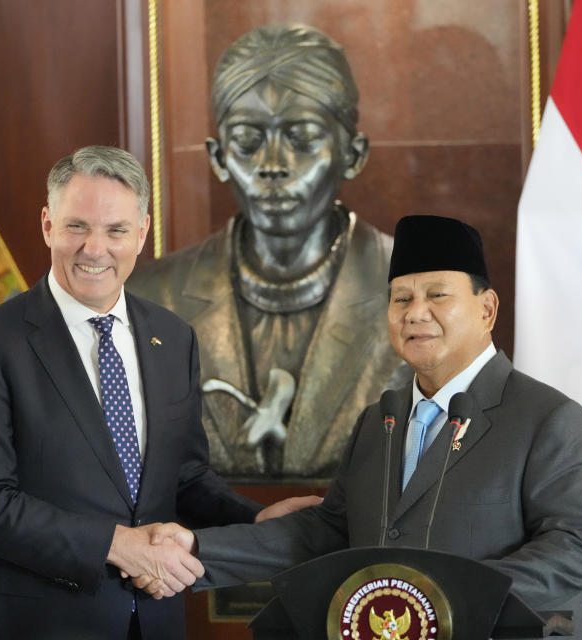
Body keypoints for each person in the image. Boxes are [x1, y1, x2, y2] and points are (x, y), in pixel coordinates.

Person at [136, 215, 582, 637]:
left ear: (486, 309)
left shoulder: (547, 417)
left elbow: (581, 546)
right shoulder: (380, 419)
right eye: (401, 297)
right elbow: (326, 533)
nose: (415, 312)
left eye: (437, 295)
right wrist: (196, 547)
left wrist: (446, 601)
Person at [0, 145, 318, 640]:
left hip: (151, 622)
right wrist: (116, 545)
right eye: (77, 227)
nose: (95, 249)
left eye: (116, 230)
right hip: (32, 623)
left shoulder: (173, 338)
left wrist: (256, 516)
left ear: (142, 233)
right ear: (48, 225)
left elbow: (181, 476)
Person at [127, 24, 410, 479]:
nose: (273, 166)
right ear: (218, 158)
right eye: (246, 141)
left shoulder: (417, 293)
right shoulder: (151, 299)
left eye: (301, 138)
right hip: (202, 543)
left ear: (352, 154)